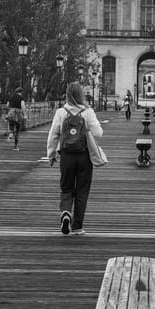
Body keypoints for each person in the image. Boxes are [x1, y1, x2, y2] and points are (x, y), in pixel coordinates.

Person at [46, 82, 103, 235]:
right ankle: (77, 226)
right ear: (81, 95)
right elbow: (98, 133)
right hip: (84, 155)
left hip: (66, 155)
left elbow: (53, 135)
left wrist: (51, 155)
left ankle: (65, 212)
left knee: (66, 188)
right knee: (82, 191)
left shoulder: (61, 112)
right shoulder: (88, 112)